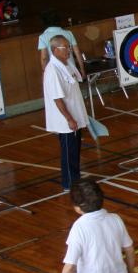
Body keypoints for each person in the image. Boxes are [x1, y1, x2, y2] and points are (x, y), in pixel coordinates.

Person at [42, 35, 88, 192]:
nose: (69, 51)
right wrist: (69, 118)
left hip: (75, 115)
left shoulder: (66, 64)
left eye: (69, 47)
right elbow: (57, 99)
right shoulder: (52, 70)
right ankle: (69, 184)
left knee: (75, 151)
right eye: (65, 48)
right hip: (66, 121)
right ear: (55, 50)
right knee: (69, 153)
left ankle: (75, 179)